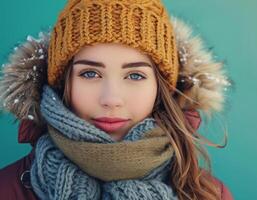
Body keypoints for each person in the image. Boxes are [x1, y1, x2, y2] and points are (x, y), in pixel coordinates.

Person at [0, 0, 233, 199]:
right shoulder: (7, 189)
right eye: (90, 73)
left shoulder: (210, 194)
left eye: (135, 75)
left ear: (160, 88)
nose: (111, 99)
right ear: (63, 83)